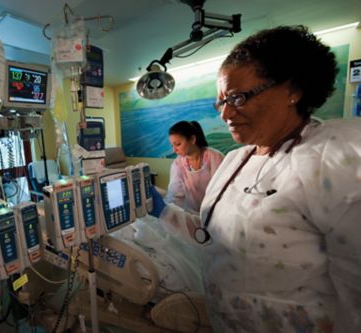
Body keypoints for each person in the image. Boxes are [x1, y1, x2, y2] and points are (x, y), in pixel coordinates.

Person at [151, 25, 361, 332]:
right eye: (220, 102)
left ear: (293, 89)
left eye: (237, 98)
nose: (224, 114)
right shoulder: (237, 160)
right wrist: (163, 211)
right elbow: (213, 236)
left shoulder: (334, 161)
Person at [166, 120, 224, 212]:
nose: (174, 150)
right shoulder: (177, 164)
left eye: (178, 144)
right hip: (192, 214)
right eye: (172, 145)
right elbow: (175, 194)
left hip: (217, 212)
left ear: (192, 139)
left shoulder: (215, 157)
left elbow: (225, 188)